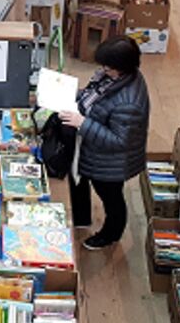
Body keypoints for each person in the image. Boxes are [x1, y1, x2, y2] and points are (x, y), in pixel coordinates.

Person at [59, 36, 150, 250]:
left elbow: (119, 141)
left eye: (107, 67)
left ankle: (111, 235)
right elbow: (94, 95)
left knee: (111, 198)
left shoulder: (129, 103)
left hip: (110, 162)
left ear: (121, 67)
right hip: (90, 150)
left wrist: (82, 123)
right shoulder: (114, 77)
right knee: (78, 180)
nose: (102, 69)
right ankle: (81, 220)